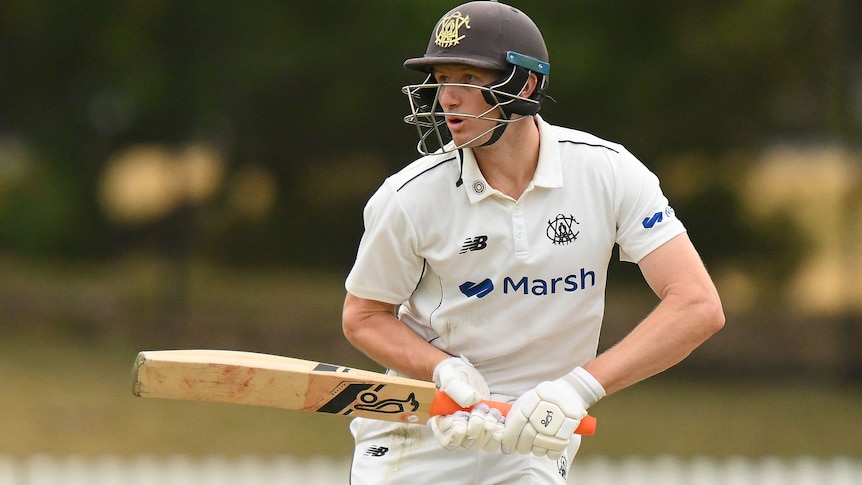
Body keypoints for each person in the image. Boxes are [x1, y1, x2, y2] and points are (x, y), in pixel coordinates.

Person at [342, 1, 725, 483]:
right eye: (441, 80)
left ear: (524, 84)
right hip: (424, 435)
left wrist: (578, 389)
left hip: (535, 436)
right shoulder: (408, 197)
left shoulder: (608, 173)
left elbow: (697, 305)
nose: (448, 99)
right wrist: (443, 371)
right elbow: (363, 316)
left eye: (467, 79)